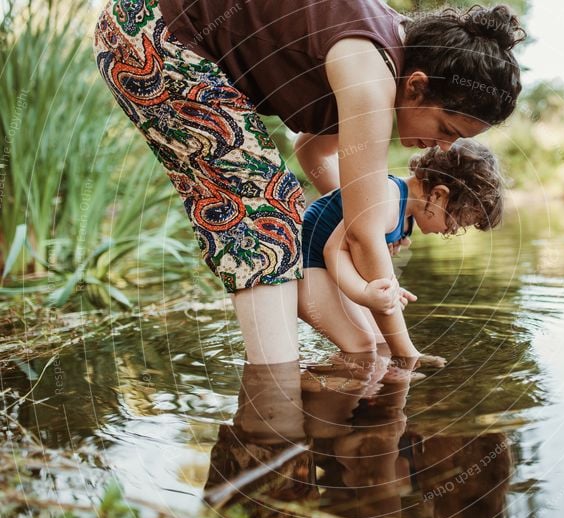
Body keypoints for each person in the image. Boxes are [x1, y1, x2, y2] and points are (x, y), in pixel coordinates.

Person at [93, 0, 524, 366]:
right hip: (153, 33)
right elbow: (364, 230)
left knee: (275, 207)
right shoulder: (373, 75)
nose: (446, 149)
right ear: (417, 86)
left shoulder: (394, 53)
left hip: (154, 31)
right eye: (448, 128)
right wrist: (404, 353)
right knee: (262, 211)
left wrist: (354, 210)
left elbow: (312, 150)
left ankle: (285, 387)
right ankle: (274, 394)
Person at [299, 139, 504, 356]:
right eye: (458, 222)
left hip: (332, 268)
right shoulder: (386, 198)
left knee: (380, 342)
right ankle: (311, 384)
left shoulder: (406, 217)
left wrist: (390, 290)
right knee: (361, 344)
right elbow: (334, 250)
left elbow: (365, 260)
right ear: (437, 195)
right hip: (306, 262)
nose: (452, 232)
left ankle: (365, 383)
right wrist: (364, 293)